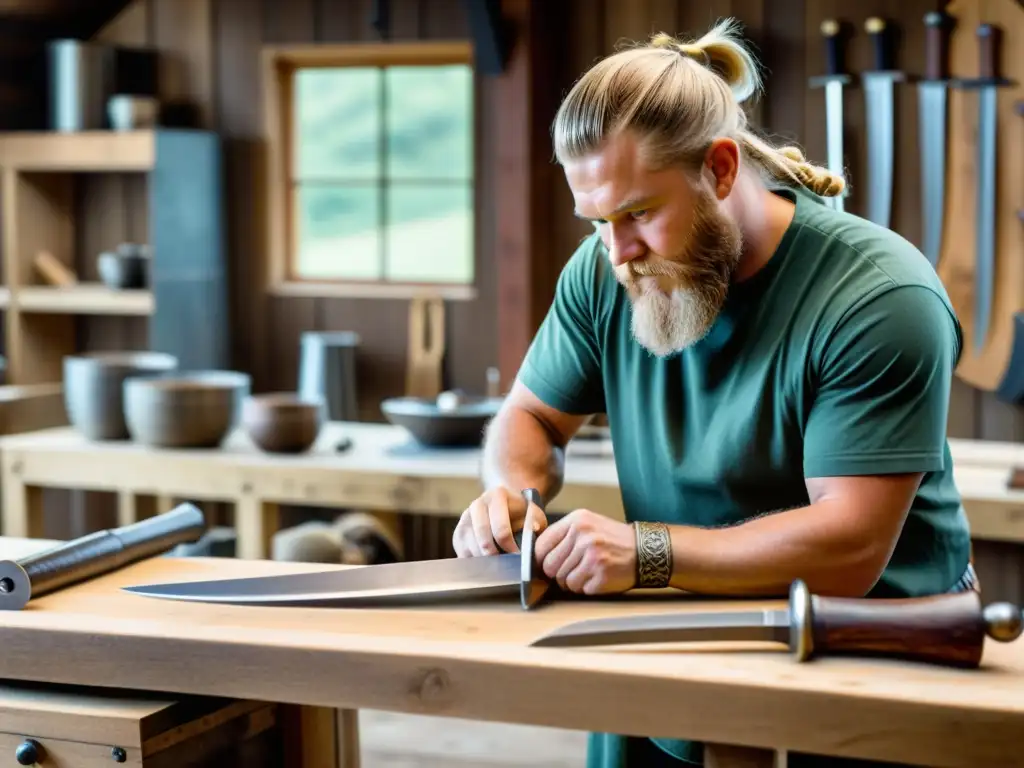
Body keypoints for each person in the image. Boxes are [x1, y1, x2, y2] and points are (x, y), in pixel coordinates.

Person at [452, 17, 973, 768]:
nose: (616, 252)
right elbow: (531, 415)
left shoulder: (880, 297)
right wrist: (512, 497)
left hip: (866, 663)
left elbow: (849, 545)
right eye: (596, 220)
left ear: (721, 169)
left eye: (637, 213)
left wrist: (647, 551)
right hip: (672, 638)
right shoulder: (607, 266)